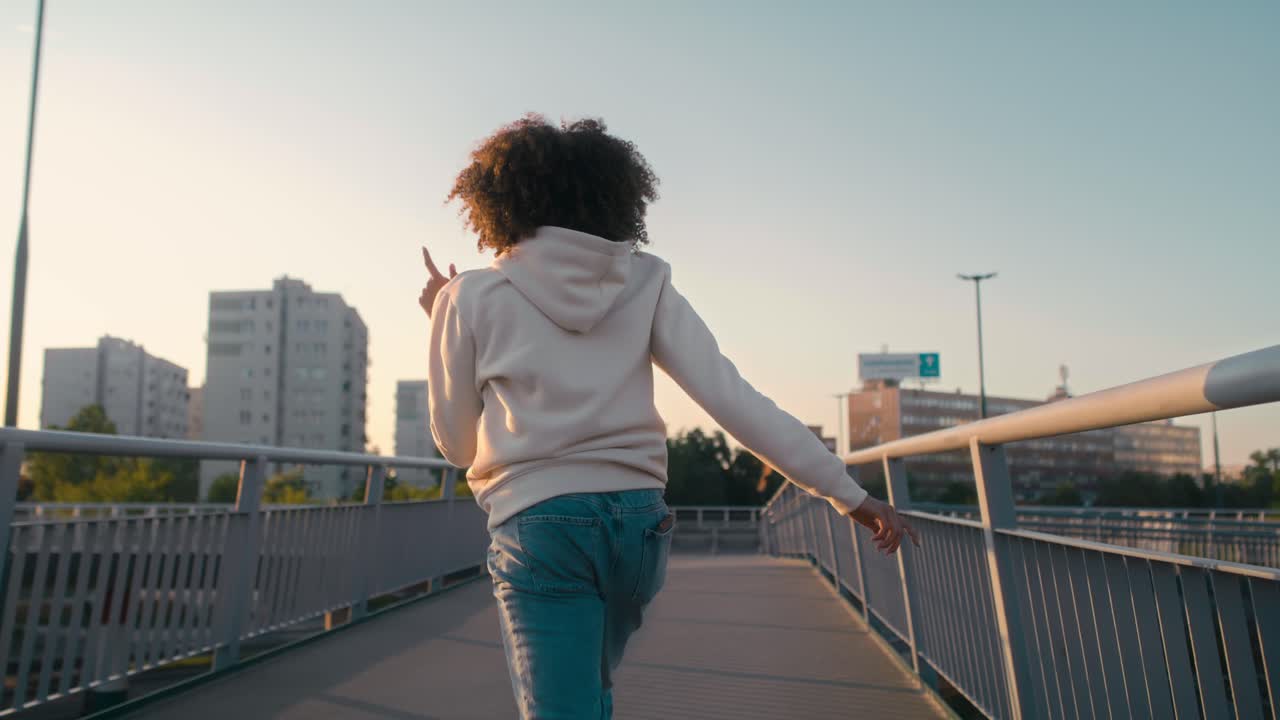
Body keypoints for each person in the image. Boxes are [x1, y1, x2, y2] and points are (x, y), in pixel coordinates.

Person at [421, 114, 919, 720]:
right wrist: (850, 496)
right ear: (614, 198)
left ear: (500, 201)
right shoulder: (646, 280)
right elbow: (733, 400)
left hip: (539, 523)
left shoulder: (468, 295)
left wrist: (441, 327)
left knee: (563, 705)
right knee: (588, 689)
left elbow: (456, 446)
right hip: (638, 524)